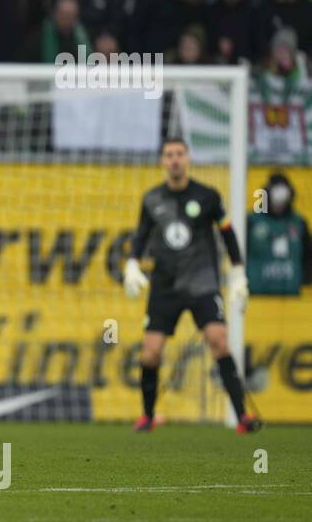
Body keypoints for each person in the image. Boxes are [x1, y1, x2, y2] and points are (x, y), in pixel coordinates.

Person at [122, 138, 258, 434]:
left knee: (219, 340)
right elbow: (142, 236)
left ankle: (242, 417)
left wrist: (238, 274)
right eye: (169, 155)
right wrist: (132, 263)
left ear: (188, 159)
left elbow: (228, 233)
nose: (174, 160)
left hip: (202, 282)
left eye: (179, 154)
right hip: (165, 285)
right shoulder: (152, 199)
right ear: (162, 161)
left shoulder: (207, 196)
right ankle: (147, 415)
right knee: (150, 353)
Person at [247, 173, 312, 295]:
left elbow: (308, 256)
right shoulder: (251, 221)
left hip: (291, 297)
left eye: (282, 199)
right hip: (256, 297)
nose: (278, 204)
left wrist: (305, 280)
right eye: (275, 198)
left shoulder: (299, 223)